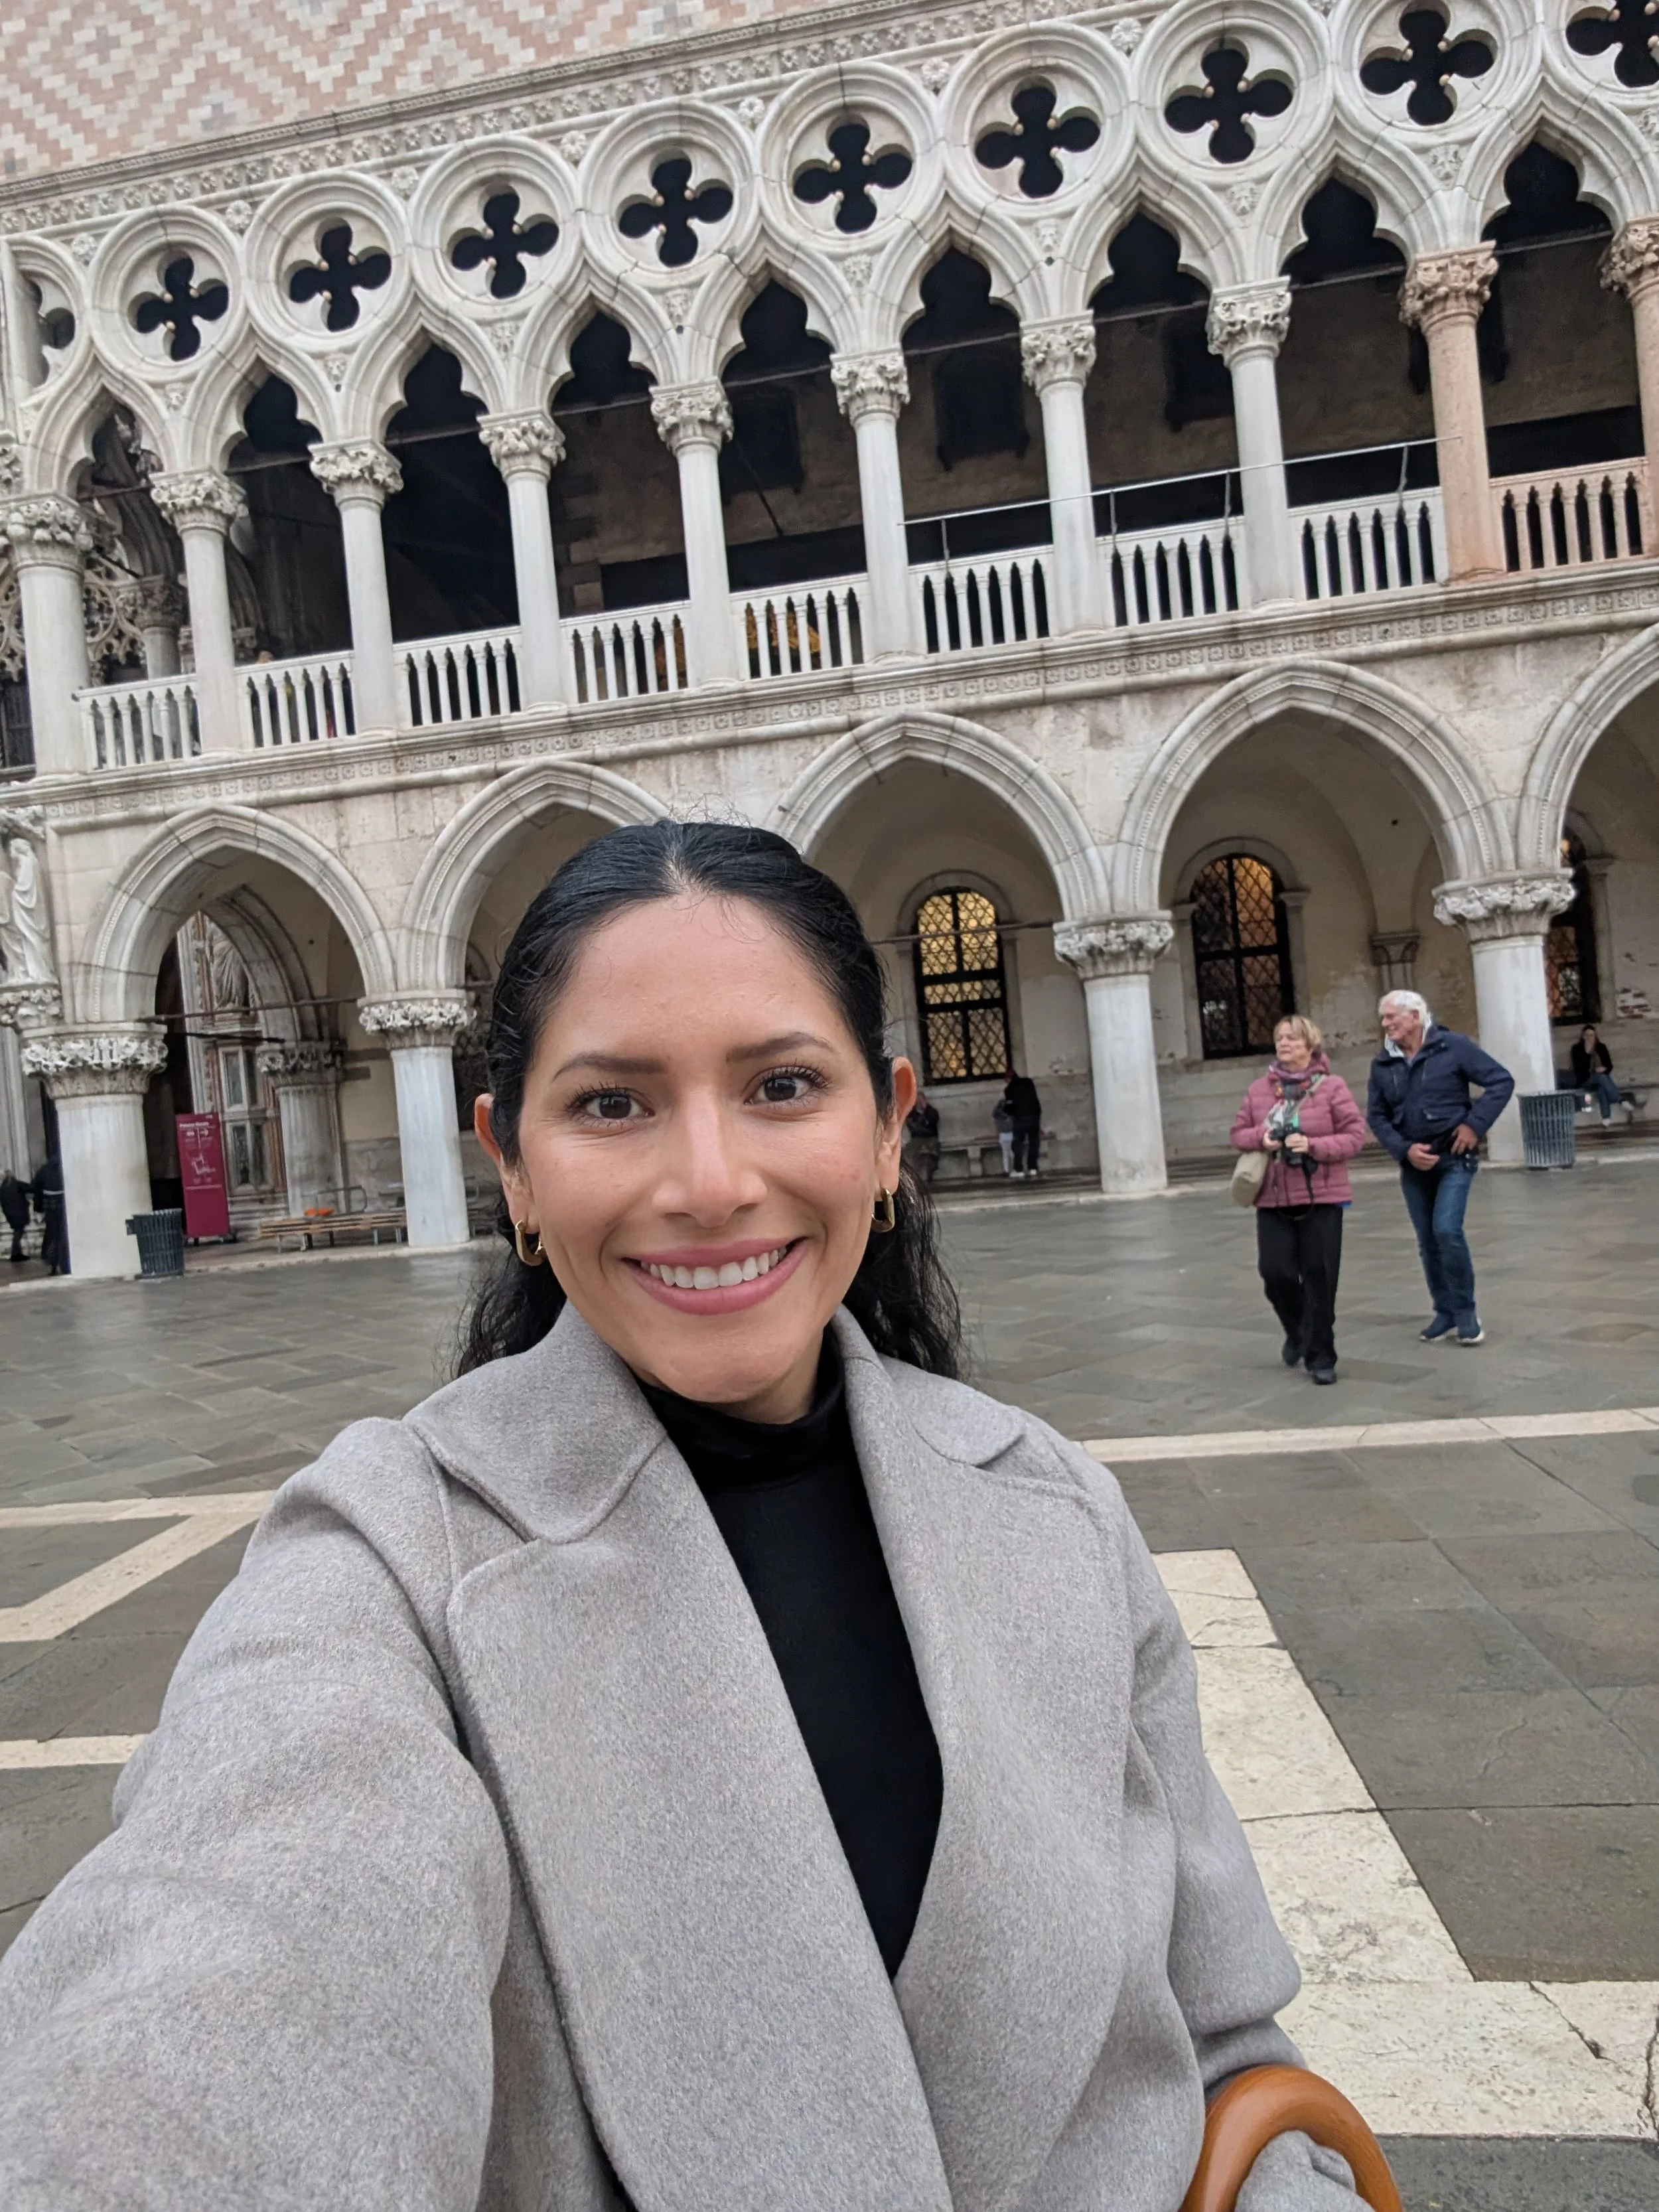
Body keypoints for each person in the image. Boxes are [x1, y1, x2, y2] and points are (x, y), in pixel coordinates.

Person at [0, 822, 1358, 2212]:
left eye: (780, 1083)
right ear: (510, 1161)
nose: (708, 1181)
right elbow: (231, 1951)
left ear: (887, 1126)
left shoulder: (1057, 1508)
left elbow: (1219, 2057)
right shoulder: (385, 1560)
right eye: (609, 1104)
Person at [1366, 989, 1514, 1347]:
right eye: (1383, 1019)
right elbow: (1377, 1116)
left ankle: (1466, 1312)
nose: (1385, 1025)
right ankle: (1444, 1312)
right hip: (1415, 1163)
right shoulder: (1383, 1064)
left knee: (1447, 1230)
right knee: (1428, 1241)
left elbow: (1500, 1081)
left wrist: (1474, 1125)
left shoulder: (1453, 1047)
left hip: (1454, 1158)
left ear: (1414, 1016)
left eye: (1391, 1018)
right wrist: (1403, 1150)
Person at [1229, 1015, 1367, 1386]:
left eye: (1292, 1037)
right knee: (1276, 1274)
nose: (1284, 1043)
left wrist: (1314, 1146)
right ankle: (1298, 1330)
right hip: (1273, 1197)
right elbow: (1238, 1134)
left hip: (1322, 1195)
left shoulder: (1332, 1087)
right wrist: (1262, 1138)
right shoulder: (1259, 1090)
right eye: (1279, 1038)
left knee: (1320, 1277)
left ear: (1310, 1044)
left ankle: (1322, 1355)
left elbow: (1355, 1136)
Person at [1569, 1025, 1626, 1124]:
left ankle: (1606, 1118)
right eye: (1587, 1035)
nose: (1589, 1038)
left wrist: (1603, 1069)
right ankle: (1620, 1099)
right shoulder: (1577, 1049)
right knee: (1601, 1078)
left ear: (1595, 1037)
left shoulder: (1601, 1047)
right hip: (1584, 1080)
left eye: (1592, 1035)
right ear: (1583, 1036)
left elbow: (1609, 1066)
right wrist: (1595, 1070)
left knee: (1601, 1086)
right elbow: (1578, 1069)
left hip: (1601, 1079)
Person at [1002, 1065, 1042, 1179]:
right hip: (1035, 1117)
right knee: (1034, 1143)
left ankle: (1019, 1169)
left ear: (1008, 1079)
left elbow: (1009, 1106)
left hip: (1020, 1119)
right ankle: (1033, 1168)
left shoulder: (1010, 1089)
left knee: (1018, 1145)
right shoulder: (1028, 1082)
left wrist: (1006, 1110)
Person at [31, 1150, 66, 1276]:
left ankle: (53, 1264)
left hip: (50, 1205)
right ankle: (65, 1264)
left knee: (53, 1235)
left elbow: (36, 1188)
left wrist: (38, 1206)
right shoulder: (65, 1168)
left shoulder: (43, 1171)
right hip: (63, 1203)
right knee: (64, 1235)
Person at [904, 1087, 940, 1184]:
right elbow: (912, 1127)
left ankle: (929, 1177)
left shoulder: (932, 1112)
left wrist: (921, 1123)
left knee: (932, 1153)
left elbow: (932, 1125)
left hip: (930, 1137)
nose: (920, 1102)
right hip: (917, 1138)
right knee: (909, 1153)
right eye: (918, 1100)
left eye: (921, 1100)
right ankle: (913, 1177)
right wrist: (922, 1126)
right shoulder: (912, 1114)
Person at [0, 1167, 29, 1262]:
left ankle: (18, 1253)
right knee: (18, 1233)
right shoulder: (16, 1184)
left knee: (17, 1232)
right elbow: (30, 1188)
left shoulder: (3, 1188)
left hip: (10, 1214)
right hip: (19, 1212)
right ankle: (15, 1254)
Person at [993, 1094, 1015, 1176]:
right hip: (1011, 1135)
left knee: (1006, 1154)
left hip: (1003, 1136)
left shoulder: (997, 1116)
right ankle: (1012, 1169)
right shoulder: (1011, 1115)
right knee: (1012, 1154)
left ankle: (1007, 1170)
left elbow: (997, 1127)